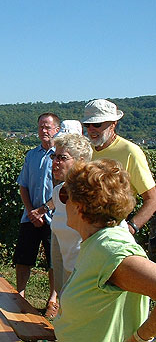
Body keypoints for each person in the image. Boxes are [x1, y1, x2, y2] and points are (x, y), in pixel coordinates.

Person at [54, 159, 156, 342]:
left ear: (79, 206)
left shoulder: (110, 247)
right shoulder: (95, 243)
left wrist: (139, 338)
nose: (62, 202)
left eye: (64, 195)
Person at [82, 99, 156, 260]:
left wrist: (130, 228)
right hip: (86, 233)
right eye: (88, 125)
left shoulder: (130, 152)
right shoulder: (86, 151)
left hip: (114, 234)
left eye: (97, 124)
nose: (91, 129)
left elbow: (152, 199)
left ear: (113, 124)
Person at [14, 112, 60, 318]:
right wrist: (31, 211)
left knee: (53, 261)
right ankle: (20, 294)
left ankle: (53, 299)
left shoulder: (61, 157)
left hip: (55, 218)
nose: (44, 130)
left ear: (57, 130)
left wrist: (44, 211)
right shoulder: (31, 155)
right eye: (41, 126)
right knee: (24, 257)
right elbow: (23, 185)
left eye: (48, 127)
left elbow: (64, 189)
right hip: (30, 216)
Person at [48, 132, 92, 292]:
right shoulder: (58, 191)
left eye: (62, 158)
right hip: (68, 271)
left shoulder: (93, 194)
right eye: (54, 156)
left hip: (89, 277)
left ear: (81, 161)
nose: (55, 162)